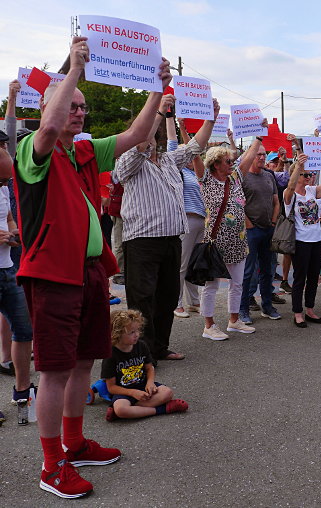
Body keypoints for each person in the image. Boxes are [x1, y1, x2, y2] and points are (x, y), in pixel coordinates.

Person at [14, 37, 172, 498]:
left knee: (83, 362)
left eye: (83, 107)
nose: (79, 113)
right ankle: (51, 465)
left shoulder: (83, 151)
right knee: (56, 371)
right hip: (53, 275)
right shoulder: (33, 150)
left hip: (89, 273)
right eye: (72, 105)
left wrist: (156, 91)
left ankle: (75, 442)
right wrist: (74, 70)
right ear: (51, 109)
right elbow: (47, 130)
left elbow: (136, 136)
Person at [115, 94, 217, 362]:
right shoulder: (127, 161)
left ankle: (160, 347)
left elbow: (195, 146)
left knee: (168, 297)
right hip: (142, 242)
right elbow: (139, 140)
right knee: (143, 299)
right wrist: (158, 111)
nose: (150, 137)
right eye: (145, 131)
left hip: (172, 239)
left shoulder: (169, 160)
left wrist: (211, 117)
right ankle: (141, 353)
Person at [197, 146, 255, 340]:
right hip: (216, 243)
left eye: (232, 161)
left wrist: (258, 137)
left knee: (237, 283)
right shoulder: (206, 180)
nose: (232, 164)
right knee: (211, 286)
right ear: (215, 164)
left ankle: (234, 321)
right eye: (228, 161)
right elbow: (194, 153)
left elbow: (248, 158)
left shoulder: (235, 178)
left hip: (238, 241)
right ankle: (209, 325)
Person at [283, 154, 321, 326]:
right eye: (305, 175)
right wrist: (298, 166)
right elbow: (291, 186)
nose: (309, 177)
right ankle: (297, 313)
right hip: (300, 241)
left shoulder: (311, 191)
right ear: (297, 175)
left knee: (314, 277)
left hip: (317, 239)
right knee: (300, 278)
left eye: (309, 174)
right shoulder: (290, 194)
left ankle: (310, 309)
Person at [102, 309, 188, 421]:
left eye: (137, 330)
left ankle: (131, 411)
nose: (137, 334)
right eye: (131, 332)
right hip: (124, 391)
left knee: (167, 393)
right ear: (116, 334)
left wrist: (150, 382)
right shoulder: (110, 354)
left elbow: (149, 368)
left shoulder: (141, 345)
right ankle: (162, 409)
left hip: (143, 385)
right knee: (121, 409)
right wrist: (133, 393)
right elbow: (111, 387)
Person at [0, 146, 35, 425]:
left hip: (8, 270)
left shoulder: (3, 185)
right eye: (1, 180)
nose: (5, 184)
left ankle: (22, 391)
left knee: (24, 331)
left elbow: (9, 216)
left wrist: (13, 231)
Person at [238, 137, 282, 323]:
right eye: (259, 154)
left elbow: (276, 201)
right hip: (251, 231)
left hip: (268, 229)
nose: (262, 157)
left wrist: (273, 222)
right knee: (247, 272)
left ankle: (267, 305)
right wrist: (249, 224)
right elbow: (238, 203)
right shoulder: (243, 176)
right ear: (250, 155)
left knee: (268, 270)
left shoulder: (268, 175)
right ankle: (243, 309)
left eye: (264, 154)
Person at [171, 117, 207, 319]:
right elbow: (177, 145)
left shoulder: (196, 174)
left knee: (194, 263)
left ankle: (193, 301)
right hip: (186, 220)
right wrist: (180, 128)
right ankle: (176, 303)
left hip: (200, 220)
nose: (196, 157)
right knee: (181, 264)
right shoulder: (178, 171)